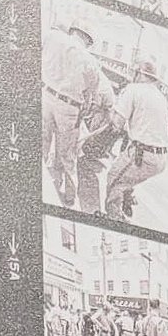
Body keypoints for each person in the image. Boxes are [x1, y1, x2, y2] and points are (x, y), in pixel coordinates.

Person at [41, 21, 107, 208]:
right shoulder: (91, 62)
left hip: (45, 96)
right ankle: (70, 198)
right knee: (67, 156)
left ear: (74, 32)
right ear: (87, 39)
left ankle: (43, 185)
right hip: (69, 108)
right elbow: (90, 98)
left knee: (41, 147)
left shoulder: (52, 37)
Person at [104, 59, 168, 221]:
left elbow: (117, 124)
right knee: (127, 174)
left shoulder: (133, 89)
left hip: (143, 154)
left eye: (134, 72)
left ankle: (115, 218)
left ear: (140, 74)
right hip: (160, 159)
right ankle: (128, 198)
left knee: (114, 179)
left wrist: (110, 112)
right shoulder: (159, 96)